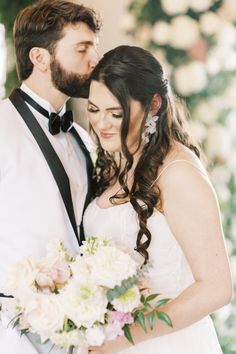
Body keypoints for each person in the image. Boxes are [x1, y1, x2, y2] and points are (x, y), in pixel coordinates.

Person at [84, 45, 233, 354]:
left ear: (153, 105)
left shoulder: (178, 172)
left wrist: (123, 340)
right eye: (94, 110)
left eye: (116, 113)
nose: (102, 124)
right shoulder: (119, 160)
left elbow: (217, 288)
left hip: (166, 343)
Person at [0, 1, 100, 353]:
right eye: (82, 48)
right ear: (40, 58)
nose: (95, 60)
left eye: (95, 47)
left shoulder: (83, 138)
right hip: (14, 334)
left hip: (83, 331)